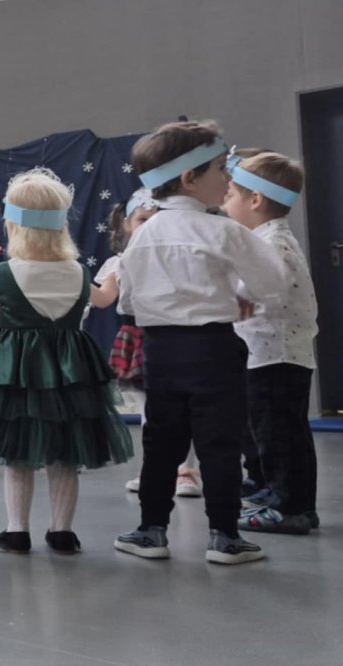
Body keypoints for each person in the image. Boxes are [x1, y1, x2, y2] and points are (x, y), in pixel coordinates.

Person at [113, 120, 290, 565]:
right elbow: (273, 281)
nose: (229, 179)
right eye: (221, 169)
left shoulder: (143, 234)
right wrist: (244, 295)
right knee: (220, 443)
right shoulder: (223, 230)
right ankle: (224, 536)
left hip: (160, 352)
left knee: (161, 443)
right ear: (191, 178)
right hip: (214, 348)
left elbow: (127, 301)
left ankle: (151, 530)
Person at [0, 170, 133, 554]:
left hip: (17, 373)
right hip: (70, 372)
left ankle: (17, 530)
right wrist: (114, 274)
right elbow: (100, 301)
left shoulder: (4, 273)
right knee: (66, 456)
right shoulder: (77, 271)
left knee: (17, 455)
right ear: (61, 226)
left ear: (13, 226)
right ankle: (62, 531)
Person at [221, 151, 320, 534]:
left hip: (274, 355)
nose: (225, 203)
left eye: (230, 195)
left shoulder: (271, 246)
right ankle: (288, 497)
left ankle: (289, 507)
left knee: (279, 435)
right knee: (282, 431)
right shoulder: (268, 240)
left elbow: (255, 294)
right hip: (274, 354)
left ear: (255, 200)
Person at [91, 190, 205, 498]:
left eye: (159, 218)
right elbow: (103, 298)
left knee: (183, 407)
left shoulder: (179, 255)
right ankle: (156, 470)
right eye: (143, 219)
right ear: (126, 224)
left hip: (177, 334)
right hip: (139, 338)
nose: (151, 225)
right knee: (151, 411)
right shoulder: (118, 262)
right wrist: (69, 276)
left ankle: (186, 471)